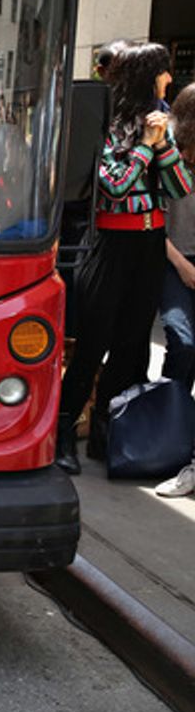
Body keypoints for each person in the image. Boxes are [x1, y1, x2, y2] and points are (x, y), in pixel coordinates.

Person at [55, 43, 194, 475]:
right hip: (110, 246)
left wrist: (163, 146)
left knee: (132, 345)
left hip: (149, 249)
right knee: (93, 344)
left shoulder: (160, 125)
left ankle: (105, 429)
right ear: (147, 75)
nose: (169, 80)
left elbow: (179, 189)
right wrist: (145, 148)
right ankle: (62, 433)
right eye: (164, 72)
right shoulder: (108, 126)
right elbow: (113, 188)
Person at [153, 83, 195, 498]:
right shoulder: (168, 154)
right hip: (172, 259)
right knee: (182, 343)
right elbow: (152, 220)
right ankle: (168, 438)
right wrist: (182, 266)